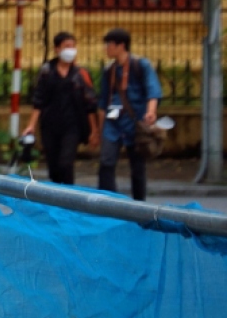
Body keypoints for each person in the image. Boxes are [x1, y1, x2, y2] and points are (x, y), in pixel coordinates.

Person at [21, 32, 98, 185]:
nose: (70, 50)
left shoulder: (80, 74)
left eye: (73, 46)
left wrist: (94, 130)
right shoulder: (47, 72)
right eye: (66, 46)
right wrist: (31, 125)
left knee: (66, 162)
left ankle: (69, 197)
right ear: (57, 49)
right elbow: (38, 100)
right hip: (50, 125)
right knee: (54, 165)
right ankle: (55, 195)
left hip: (72, 126)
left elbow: (89, 103)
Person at [97, 27, 162, 200]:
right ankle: (107, 203)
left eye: (110, 45)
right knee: (106, 163)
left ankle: (139, 206)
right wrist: (99, 131)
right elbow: (103, 102)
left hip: (135, 122)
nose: (107, 49)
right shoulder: (109, 71)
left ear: (121, 46)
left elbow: (152, 91)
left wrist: (151, 112)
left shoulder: (140, 65)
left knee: (137, 167)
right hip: (113, 124)